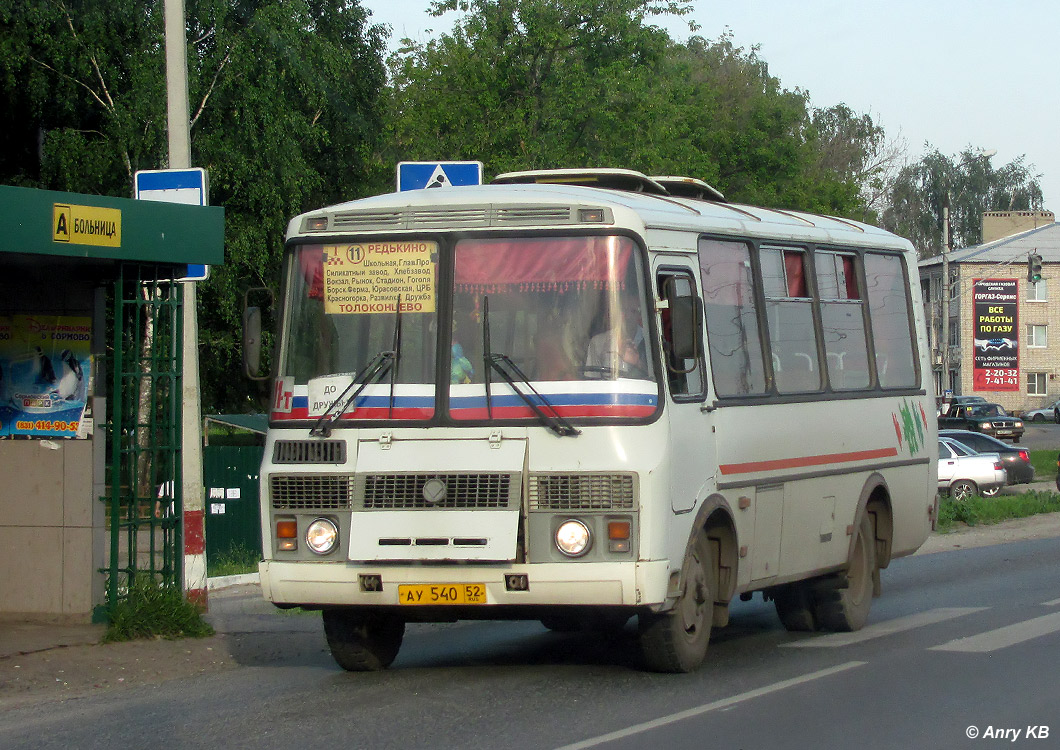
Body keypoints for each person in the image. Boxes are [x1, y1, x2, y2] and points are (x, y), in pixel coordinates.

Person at [584, 296, 648, 378]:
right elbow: (591, 379)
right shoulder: (598, 342)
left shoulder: (650, 342)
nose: (627, 316)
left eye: (633, 311)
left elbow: (659, 378)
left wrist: (637, 363)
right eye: (624, 310)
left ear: (640, 315)